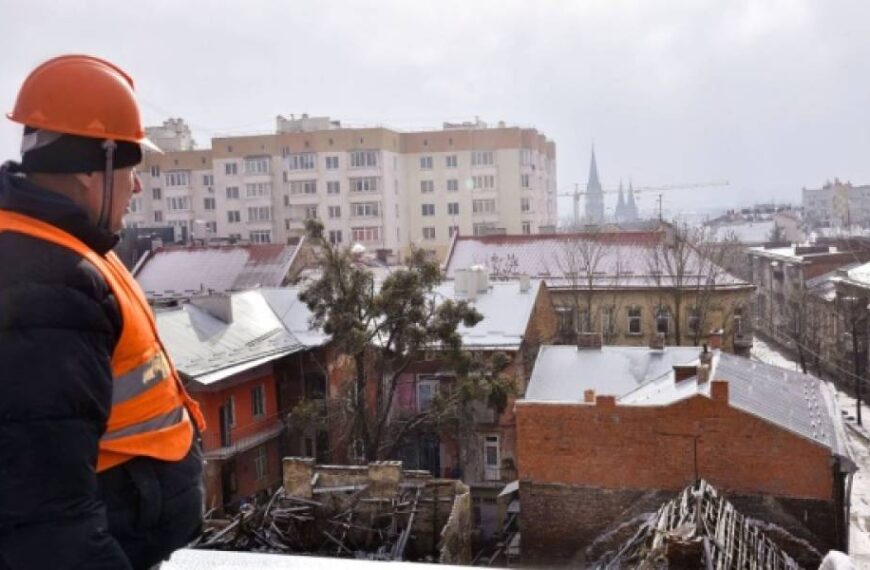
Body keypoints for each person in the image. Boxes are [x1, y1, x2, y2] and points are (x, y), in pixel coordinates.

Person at [0, 55, 206, 569]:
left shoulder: (61, 249)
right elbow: (47, 516)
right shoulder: (45, 283)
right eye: (134, 169)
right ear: (98, 168)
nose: (137, 188)